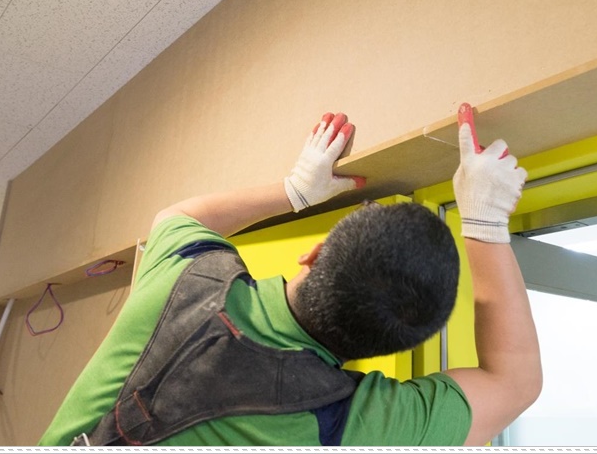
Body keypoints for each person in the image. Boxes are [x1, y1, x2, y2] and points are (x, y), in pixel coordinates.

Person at [39, 110, 542, 447]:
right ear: (391, 348)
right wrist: (485, 223)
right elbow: (516, 383)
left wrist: (295, 191)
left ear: (313, 254)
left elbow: (177, 217)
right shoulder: (353, 428)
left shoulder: (186, 279)